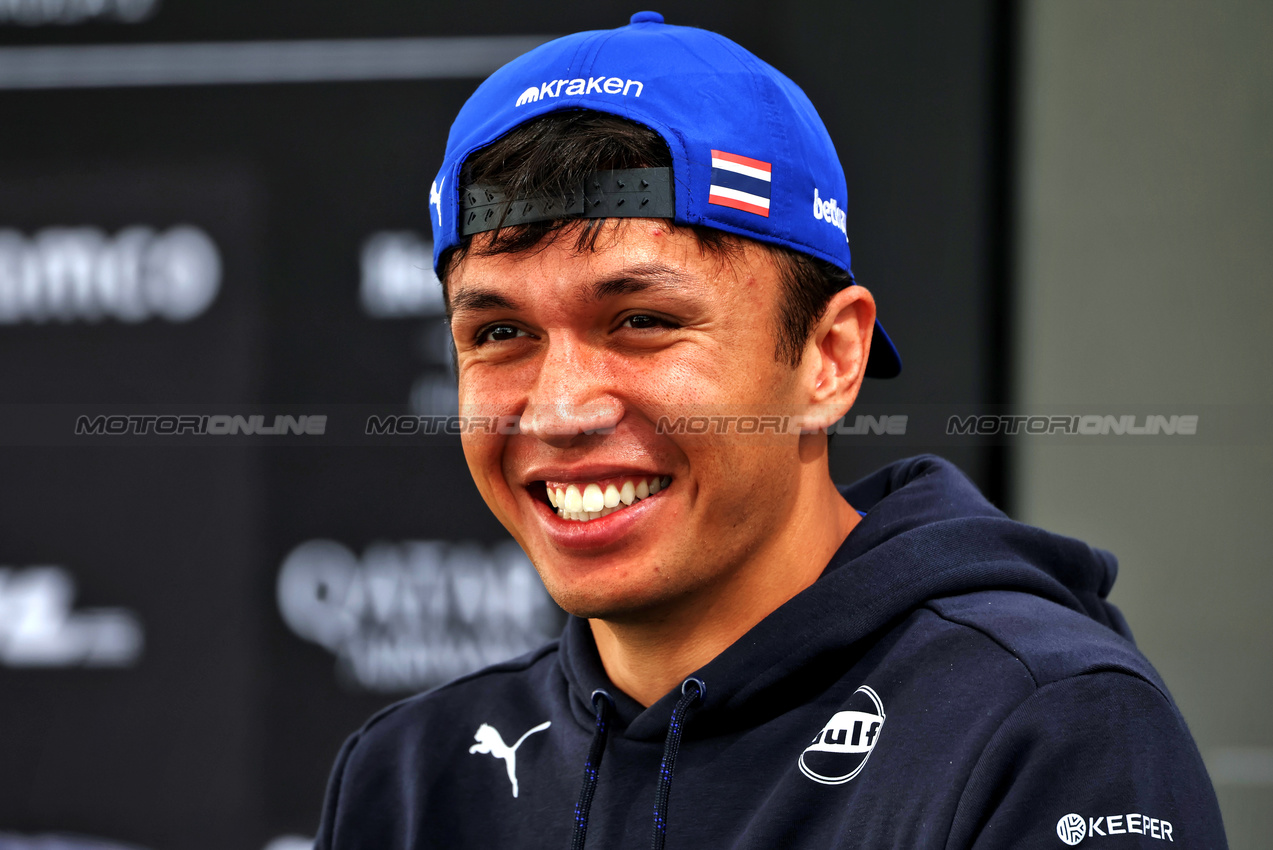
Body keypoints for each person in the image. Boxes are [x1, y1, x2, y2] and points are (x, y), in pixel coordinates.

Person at [316, 12, 1226, 849]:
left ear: (829, 359)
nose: (559, 410)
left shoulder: (1042, 726)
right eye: (500, 334)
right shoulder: (407, 778)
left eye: (641, 322)